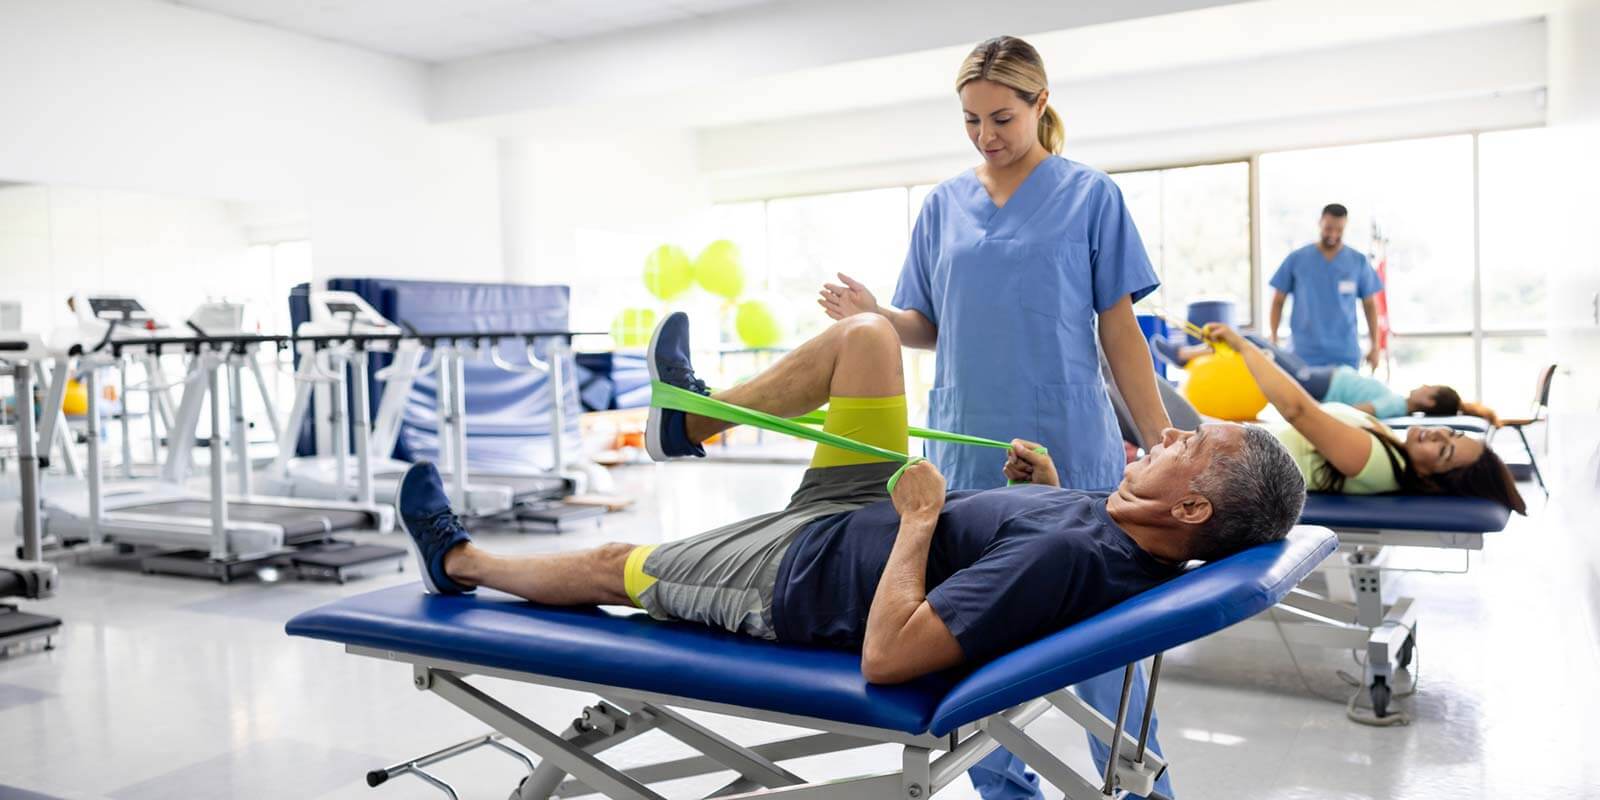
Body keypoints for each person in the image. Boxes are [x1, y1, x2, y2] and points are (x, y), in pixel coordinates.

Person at [397, 312, 1306, 691]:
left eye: (1196, 447)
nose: (1177, 433)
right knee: (868, 336)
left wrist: (918, 522)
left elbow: (889, 657)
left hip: (803, 576)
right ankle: (691, 425)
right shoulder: (1105, 521)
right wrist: (1047, 493)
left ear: (1191, 515)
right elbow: (1026, 539)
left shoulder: (1073, 557)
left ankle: (459, 562)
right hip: (857, 511)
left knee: (612, 566)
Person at [815, 36, 1177, 800]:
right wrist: (875, 314)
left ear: (1041, 104)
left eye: (1003, 117)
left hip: (1069, 443)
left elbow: (1119, 333)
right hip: (969, 446)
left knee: (1104, 645)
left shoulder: (1091, 196)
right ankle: (1003, 792)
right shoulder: (942, 205)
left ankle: (1144, 788)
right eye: (972, 120)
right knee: (969, 640)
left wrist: (1158, 440)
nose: (987, 135)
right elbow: (927, 325)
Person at [1203, 323, 1525, 511]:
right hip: (1228, 442)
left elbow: (1298, 411)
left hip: (1221, 460)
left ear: (1430, 478)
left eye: (1444, 452)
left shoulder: (1377, 463)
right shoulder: (1391, 446)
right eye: (1452, 435)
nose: (1440, 436)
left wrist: (1243, 346)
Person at [1152, 332, 1501, 425]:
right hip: (1318, 377)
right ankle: (1186, 355)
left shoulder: (1395, 405)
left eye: (1430, 388)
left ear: (1428, 400)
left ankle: (1185, 356)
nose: (1423, 385)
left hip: (1315, 384)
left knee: (1254, 345)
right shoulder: (1399, 402)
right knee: (1257, 344)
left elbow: (1353, 412)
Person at [1267, 204, 1385, 371]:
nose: (1333, 234)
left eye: (1339, 230)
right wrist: (1274, 337)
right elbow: (1278, 300)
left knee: (1345, 397)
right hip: (1303, 353)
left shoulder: (1357, 261)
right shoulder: (1298, 259)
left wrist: (1375, 346)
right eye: (1328, 228)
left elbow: (1370, 305)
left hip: (1344, 354)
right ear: (1320, 223)